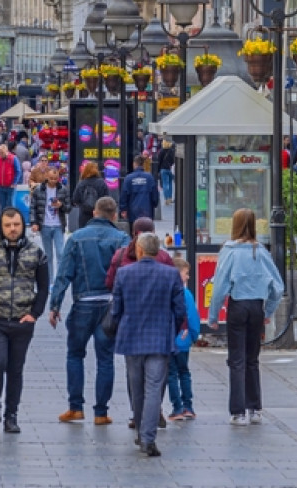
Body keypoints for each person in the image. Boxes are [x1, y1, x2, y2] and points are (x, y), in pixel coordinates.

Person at [49, 195, 130, 424]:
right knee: (106, 358)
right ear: (114, 216)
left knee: (75, 354)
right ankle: (101, 412)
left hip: (83, 303)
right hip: (109, 304)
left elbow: (64, 273)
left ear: (94, 213)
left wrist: (55, 305)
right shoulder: (122, 238)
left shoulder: (76, 238)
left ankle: (76, 407)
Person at [0, 206, 49, 433]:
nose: (13, 229)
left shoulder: (36, 252)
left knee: (15, 369)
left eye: (16, 224)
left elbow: (44, 286)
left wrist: (35, 313)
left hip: (22, 320)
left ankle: (11, 415)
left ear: (22, 225)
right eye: (8, 225)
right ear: (1, 226)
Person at [111, 232, 188, 457]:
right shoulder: (170, 274)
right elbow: (179, 308)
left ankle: (139, 431)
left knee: (137, 388)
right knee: (154, 388)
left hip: (132, 338)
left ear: (140, 250)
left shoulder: (124, 273)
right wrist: (170, 330)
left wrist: (119, 328)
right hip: (159, 338)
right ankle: (148, 437)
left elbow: (116, 309)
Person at [205, 208, 283, 425]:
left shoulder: (229, 251)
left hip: (238, 305)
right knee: (252, 359)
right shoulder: (261, 252)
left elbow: (220, 286)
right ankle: (255, 408)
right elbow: (278, 286)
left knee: (236, 359)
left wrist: (213, 315)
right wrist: (269, 311)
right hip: (257, 306)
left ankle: (237, 411)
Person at [166, 256, 201, 422]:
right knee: (184, 372)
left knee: (171, 374)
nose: (188, 277)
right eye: (186, 273)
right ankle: (188, 406)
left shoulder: (166, 291)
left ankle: (177, 407)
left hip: (169, 340)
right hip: (184, 340)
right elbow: (193, 317)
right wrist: (193, 335)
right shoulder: (186, 293)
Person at [106, 217, 174, 289]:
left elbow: (110, 283)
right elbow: (172, 283)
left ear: (133, 233)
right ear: (153, 233)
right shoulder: (163, 256)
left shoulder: (120, 255)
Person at [30, 163, 67, 283]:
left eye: (55, 179)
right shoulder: (38, 190)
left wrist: (61, 205)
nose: (53, 181)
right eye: (51, 178)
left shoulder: (63, 189)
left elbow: (69, 207)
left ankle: (60, 280)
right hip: (44, 225)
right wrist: (34, 222)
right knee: (48, 255)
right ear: (46, 176)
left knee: (61, 254)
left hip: (58, 225)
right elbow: (33, 207)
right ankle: (50, 280)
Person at [120, 154, 161, 225]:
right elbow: (155, 197)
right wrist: (154, 204)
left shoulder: (128, 178)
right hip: (147, 213)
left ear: (134, 164)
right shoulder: (149, 178)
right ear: (143, 164)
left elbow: (124, 195)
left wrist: (123, 209)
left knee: (134, 232)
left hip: (133, 213)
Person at [71, 160, 110, 229]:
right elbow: (107, 199)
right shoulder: (101, 183)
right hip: (99, 214)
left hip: (84, 216)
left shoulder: (81, 183)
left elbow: (75, 199)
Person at [157, 140, 177, 204]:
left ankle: (166, 199)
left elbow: (159, 161)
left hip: (163, 169)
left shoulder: (161, 151)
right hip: (170, 169)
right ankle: (170, 198)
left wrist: (158, 170)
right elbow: (173, 161)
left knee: (165, 184)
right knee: (170, 183)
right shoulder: (171, 151)